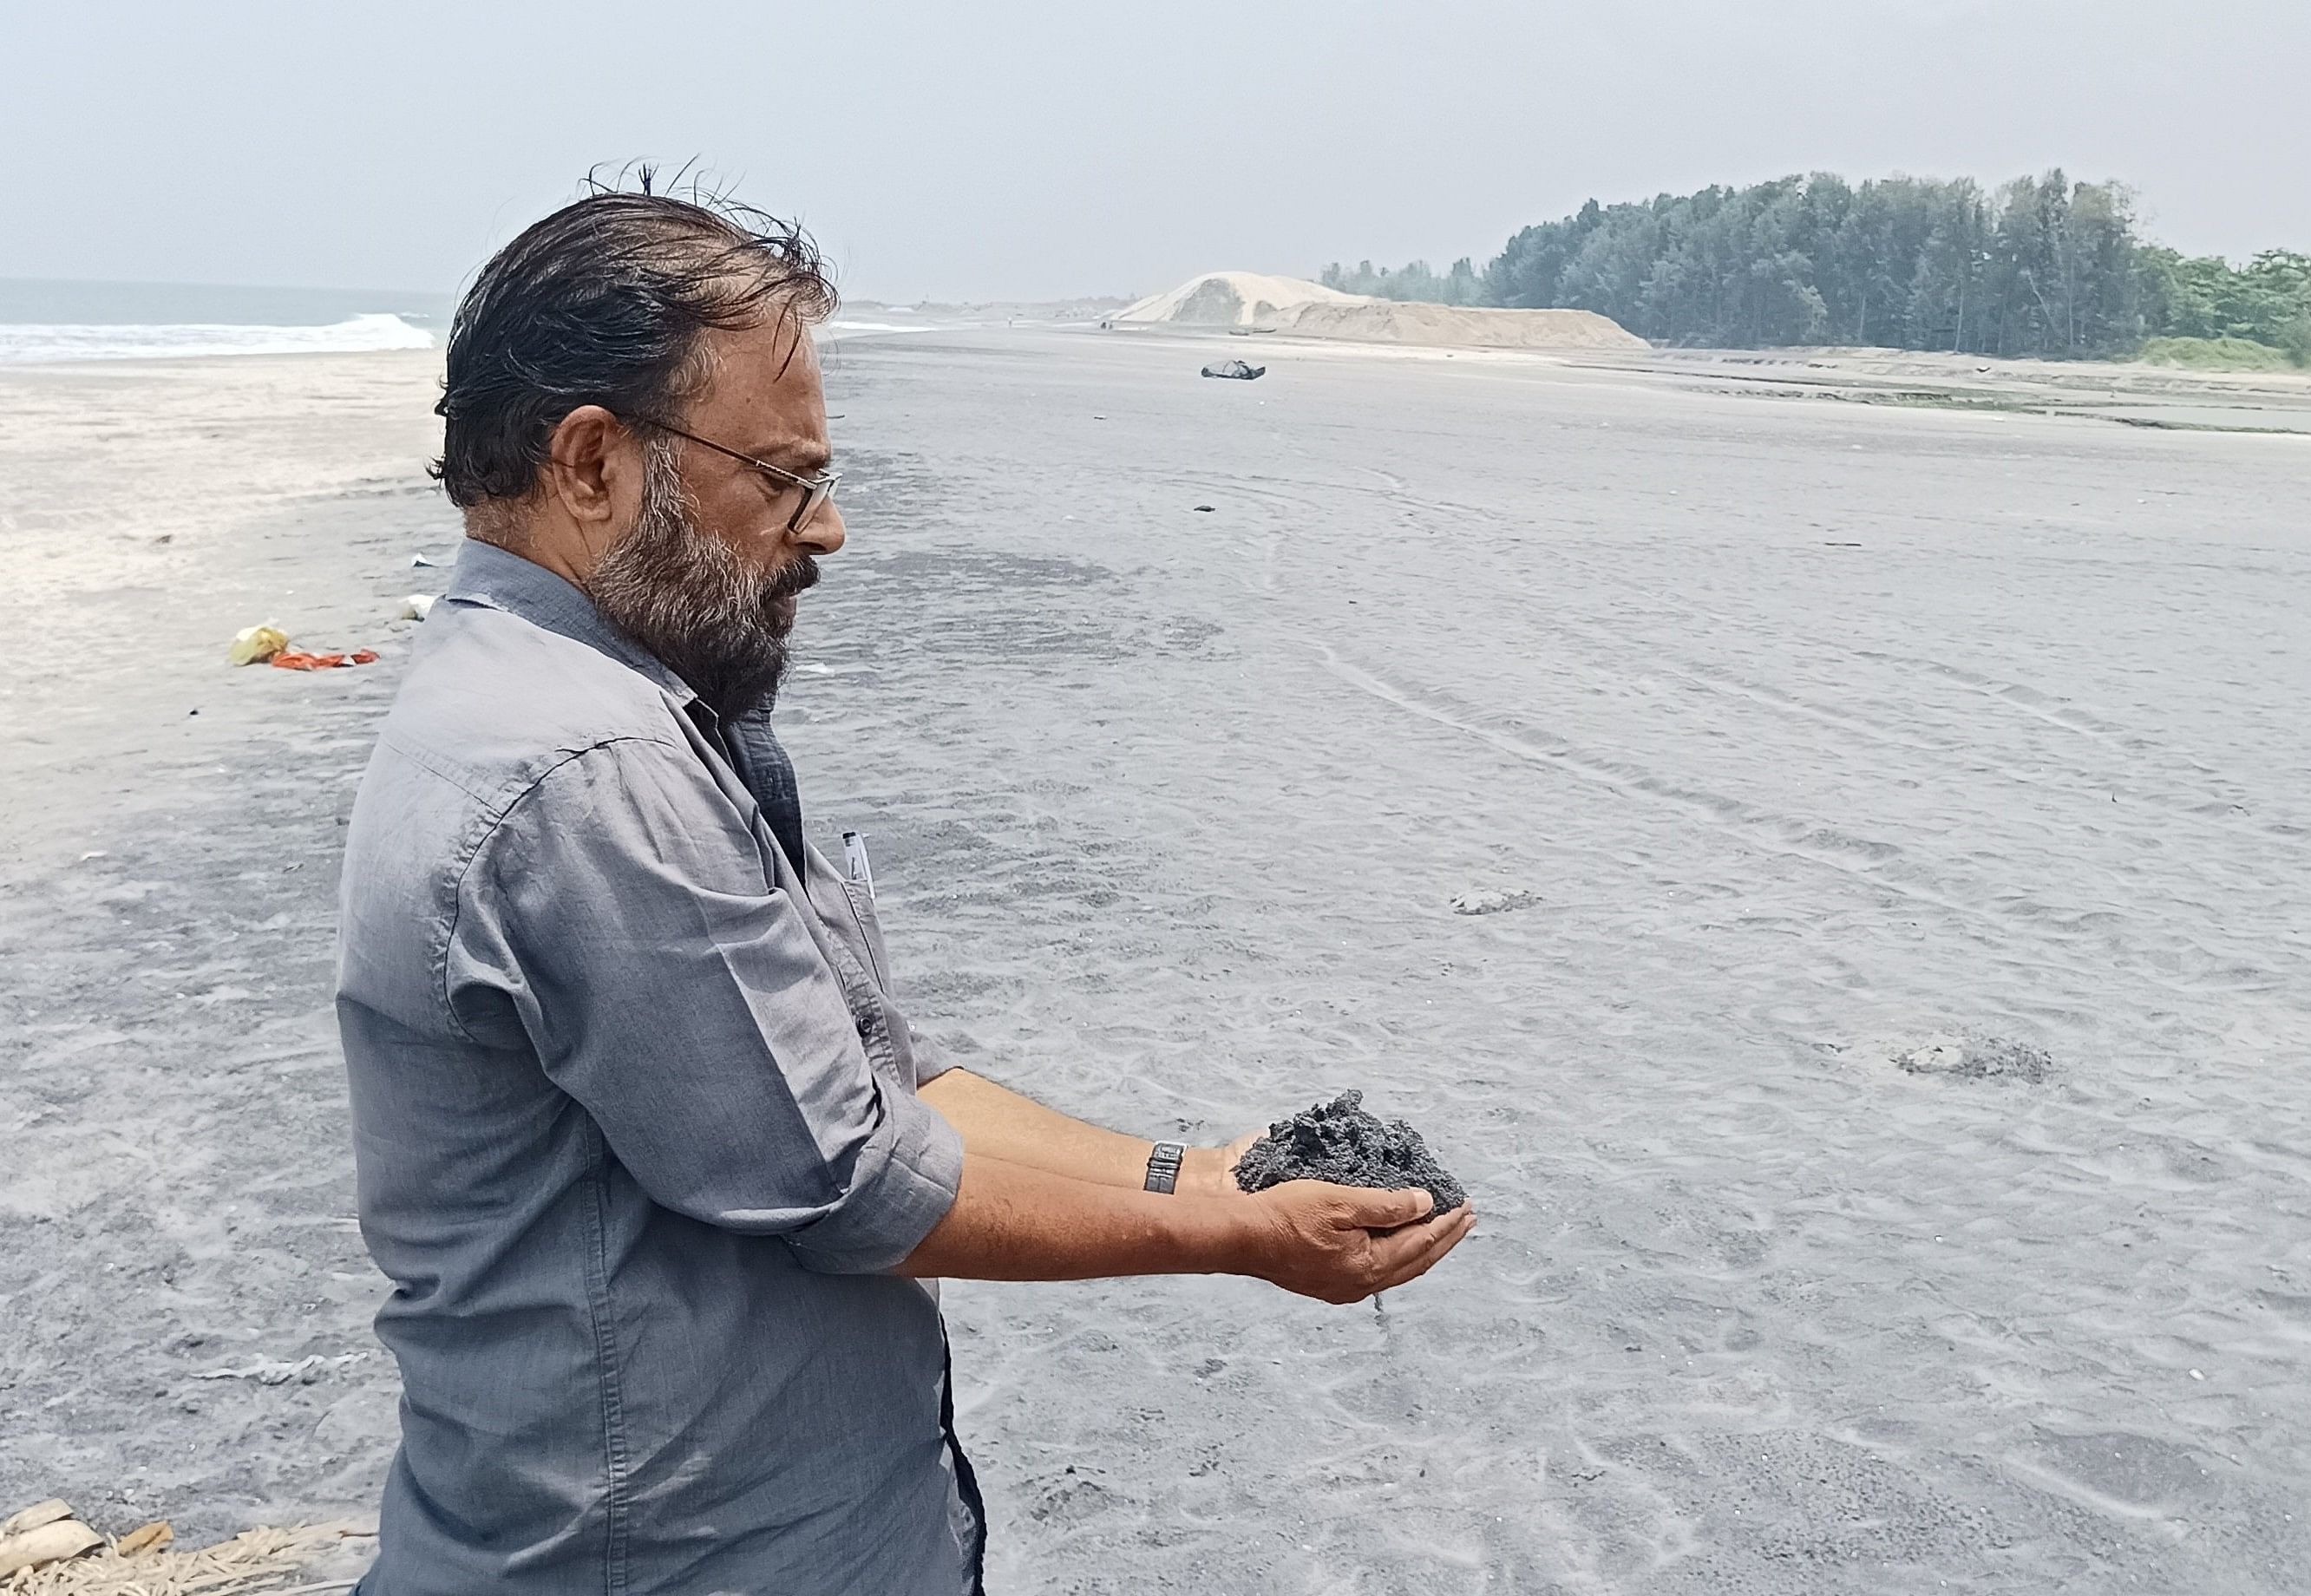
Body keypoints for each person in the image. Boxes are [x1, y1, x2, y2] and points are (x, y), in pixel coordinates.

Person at [333, 186, 1474, 1595]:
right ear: (590, 465)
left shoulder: (608, 710)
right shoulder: (591, 769)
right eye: (785, 477)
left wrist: (1200, 1166)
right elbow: (849, 1183)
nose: (828, 532)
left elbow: (878, 1089)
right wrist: (1240, 1234)